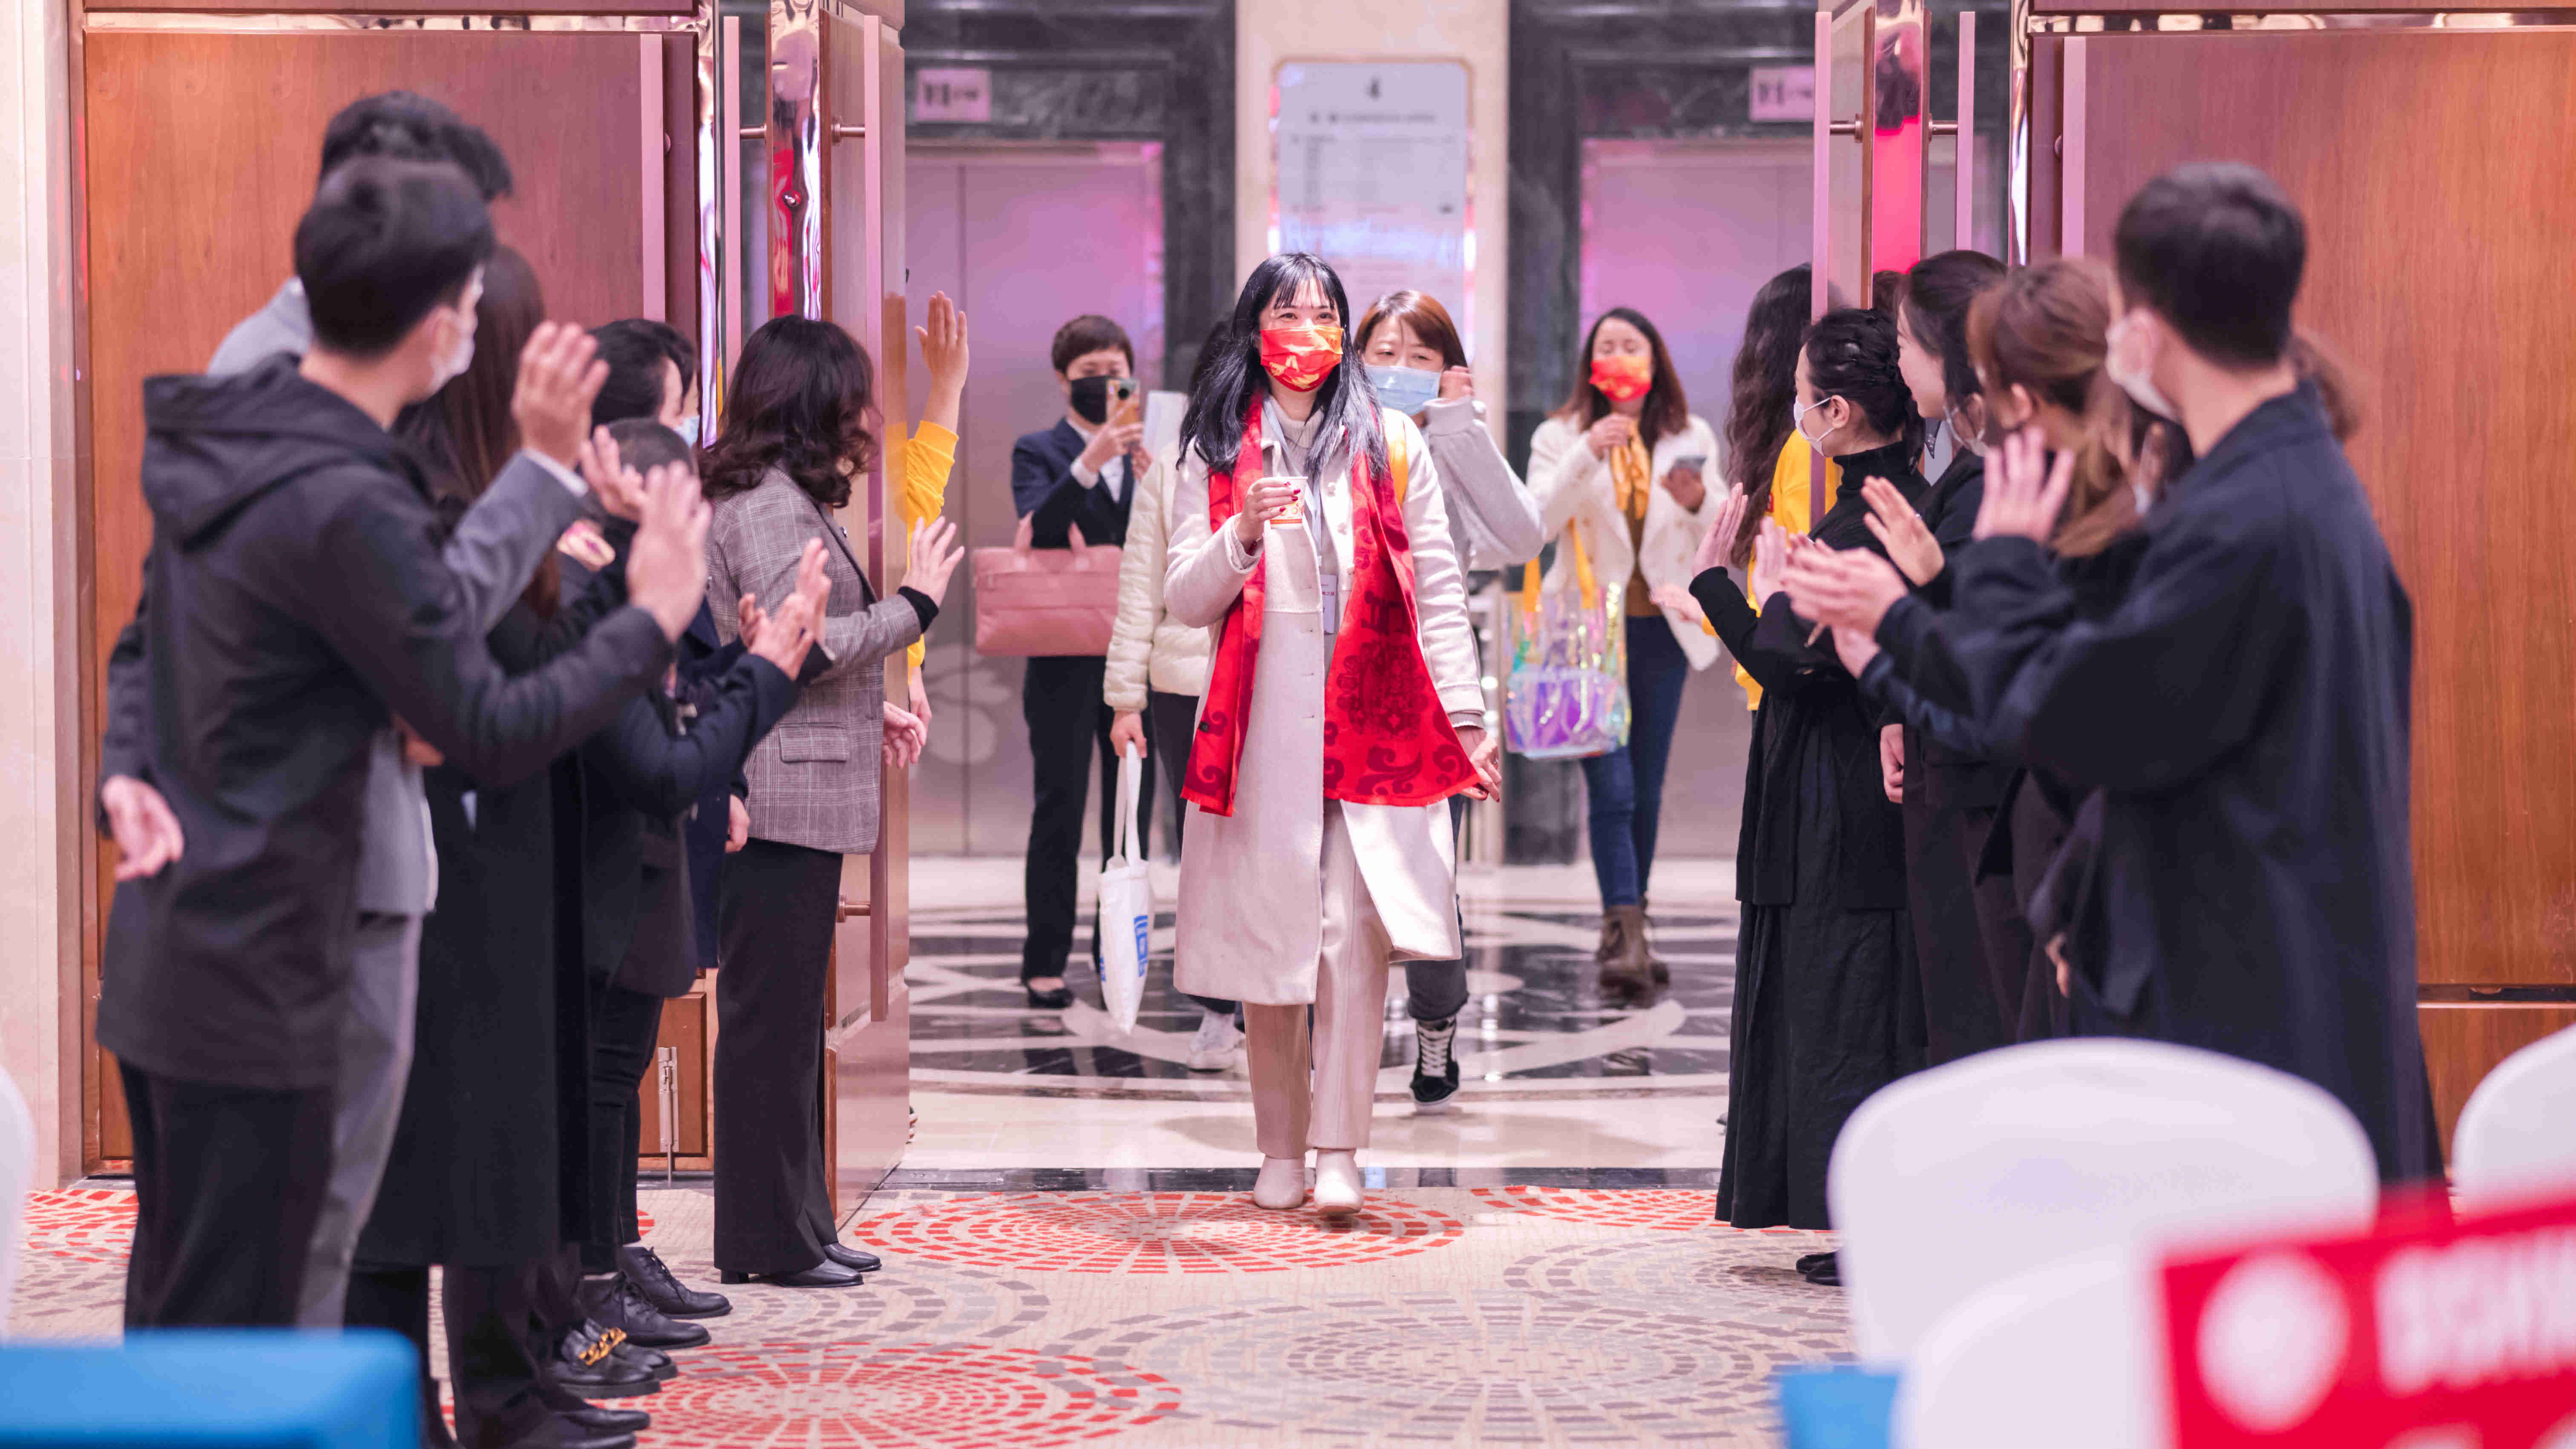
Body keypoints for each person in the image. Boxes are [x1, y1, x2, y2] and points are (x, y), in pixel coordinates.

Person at [92, 157, 705, 1331]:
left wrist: (127, 768)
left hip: (192, 943)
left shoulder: (244, 437)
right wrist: (649, 618)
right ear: (436, 328)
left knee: (210, 1307)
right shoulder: (344, 492)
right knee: (262, 1313)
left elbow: (170, 642)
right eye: (474, 310)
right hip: (271, 949)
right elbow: (480, 724)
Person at [1788, 164, 2438, 1184]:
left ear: (2151, 326)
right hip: (2270, 973)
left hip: (2247, 1000)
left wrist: (1968, 584)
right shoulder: (2280, 480)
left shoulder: (2245, 517)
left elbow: (2078, 716)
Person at [1162, 253, 1497, 1215]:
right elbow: (1183, 596)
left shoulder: (1390, 440)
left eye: (1322, 315)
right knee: (1273, 937)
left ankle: (1339, 1146)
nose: (1304, 334)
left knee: (1352, 933)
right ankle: (1279, 1149)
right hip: (1261, 727)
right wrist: (1241, 534)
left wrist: (1466, 718)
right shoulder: (1214, 448)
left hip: (1371, 719)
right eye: (1286, 314)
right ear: (1253, 330)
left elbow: (1439, 587)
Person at [700, 315, 964, 1288]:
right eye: (851, 397)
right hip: (775, 795)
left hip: (793, 782)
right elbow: (800, 646)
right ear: (807, 401)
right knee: (768, 1029)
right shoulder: (768, 507)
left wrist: (870, 711)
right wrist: (915, 608)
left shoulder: (779, 497)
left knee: (789, 1030)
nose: (864, 416)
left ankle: (801, 1224)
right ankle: (766, 1239)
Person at [1689, 306, 1926, 1283]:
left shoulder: (1869, 517)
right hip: (1844, 779)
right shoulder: (1891, 503)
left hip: (1842, 790)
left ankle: (1870, 1221)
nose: (1795, 411)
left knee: (1847, 1003)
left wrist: (1715, 582)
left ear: (1835, 410)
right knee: (1851, 998)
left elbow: (1787, 664)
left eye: (1801, 395)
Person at [1354, 288, 1545, 1103]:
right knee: (1336, 870)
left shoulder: (1451, 441)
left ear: (1448, 370)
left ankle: (1436, 1026)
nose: (1399, 370)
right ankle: (1335, 1035)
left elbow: (1520, 536)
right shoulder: (1329, 435)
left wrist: (1459, 426)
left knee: (1430, 866)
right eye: (1383, 354)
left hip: (1434, 681)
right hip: (1340, 676)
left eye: (1420, 357)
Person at [1525, 307, 1725, 998]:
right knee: (1609, 786)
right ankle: (1624, 928)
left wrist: (1696, 501)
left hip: (1661, 632)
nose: (1618, 355)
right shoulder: (1558, 435)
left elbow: (1719, 524)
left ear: (1653, 357)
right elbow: (1535, 521)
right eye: (1606, 346)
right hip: (1585, 633)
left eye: (1630, 345)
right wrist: (1587, 452)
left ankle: (1630, 921)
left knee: (1644, 785)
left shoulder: (1688, 434)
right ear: (1591, 363)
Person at [1875, 248, 2019, 1064]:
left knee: (1980, 1014)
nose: (1897, 363)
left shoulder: (1998, 476)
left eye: (1904, 343)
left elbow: (1979, 631)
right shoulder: (1968, 465)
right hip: (1953, 764)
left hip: (1984, 784)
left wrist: (1886, 625)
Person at [1012, 315, 1153, 1009]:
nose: (1104, 383)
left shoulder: (1152, 452)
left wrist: (1158, 483)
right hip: (1062, 661)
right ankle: (1044, 960)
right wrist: (1091, 460)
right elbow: (1038, 527)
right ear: (1063, 379)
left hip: (1136, 662)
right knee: (1059, 809)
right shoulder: (1037, 449)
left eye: (1114, 371)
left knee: (1129, 814)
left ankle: (1115, 955)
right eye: (1089, 372)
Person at [1104, 323, 1235, 1070]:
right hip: (1186, 690)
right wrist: (1125, 699)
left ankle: (1290, 1001)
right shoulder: (1177, 467)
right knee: (1204, 851)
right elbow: (1139, 590)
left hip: (1279, 685)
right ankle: (1219, 1007)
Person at [1716, 266, 1834, 713]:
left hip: (1783, 675)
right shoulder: (1798, 446)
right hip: (1778, 672)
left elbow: (1791, 584)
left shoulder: (1804, 448)